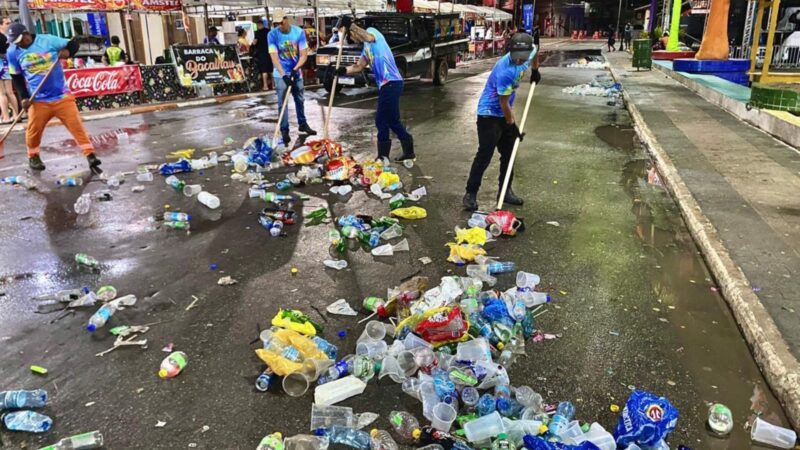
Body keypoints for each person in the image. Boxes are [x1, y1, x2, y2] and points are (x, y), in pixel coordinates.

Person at [7, 23, 102, 173]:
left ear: (26, 34)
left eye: (20, 40)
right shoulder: (13, 52)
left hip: (61, 95)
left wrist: (68, 52)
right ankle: (33, 157)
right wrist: (24, 97)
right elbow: (16, 76)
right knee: (33, 130)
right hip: (37, 99)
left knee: (76, 126)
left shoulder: (48, 40)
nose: (18, 44)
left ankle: (90, 155)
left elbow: (73, 43)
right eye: (15, 42)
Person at [463, 33, 538, 212]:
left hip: (505, 112)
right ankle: (470, 193)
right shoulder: (505, 71)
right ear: (510, 52)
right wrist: (512, 125)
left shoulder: (529, 53)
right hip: (489, 114)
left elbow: (536, 52)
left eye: (523, 58)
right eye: (516, 58)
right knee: (485, 154)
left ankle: (505, 192)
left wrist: (535, 71)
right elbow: (503, 103)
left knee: (509, 154)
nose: (520, 62)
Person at [335, 18, 414, 161]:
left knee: (381, 120)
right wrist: (341, 70)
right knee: (393, 121)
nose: (352, 38)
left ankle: (383, 157)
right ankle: (408, 150)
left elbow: (367, 36)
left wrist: (350, 25)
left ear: (354, 31)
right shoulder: (366, 48)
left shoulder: (372, 33)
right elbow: (358, 66)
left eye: (350, 35)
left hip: (391, 82)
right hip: (388, 85)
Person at [268, 15, 317, 145]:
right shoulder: (272, 35)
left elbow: (303, 55)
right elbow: (274, 57)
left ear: (286, 19)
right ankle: (284, 130)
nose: (279, 25)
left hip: (296, 72)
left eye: (281, 22)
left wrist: (295, 70)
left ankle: (303, 124)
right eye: (276, 23)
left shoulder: (298, 32)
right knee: (282, 103)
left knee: (299, 99)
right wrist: (284, 75)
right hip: (280, 74)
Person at [0, 17, 20, 124]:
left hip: (3, 63)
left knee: (3, 93)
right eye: (7, 23)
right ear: (1, 25)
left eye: (9, 23)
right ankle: (16, 115)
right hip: (9, 63)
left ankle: (6, 117)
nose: (9, 25)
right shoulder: (10, 37)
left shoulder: (7, 37)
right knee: (9, 91)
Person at [251, 19, 274, 91]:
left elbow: (255, 42)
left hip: (262, 53)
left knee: (264, 71)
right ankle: (273, 85)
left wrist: (251, 45)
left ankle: (265, 86)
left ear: (258, 25)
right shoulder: (269, 31)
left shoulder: (258, 33)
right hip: (270, 52)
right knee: (271, 70)